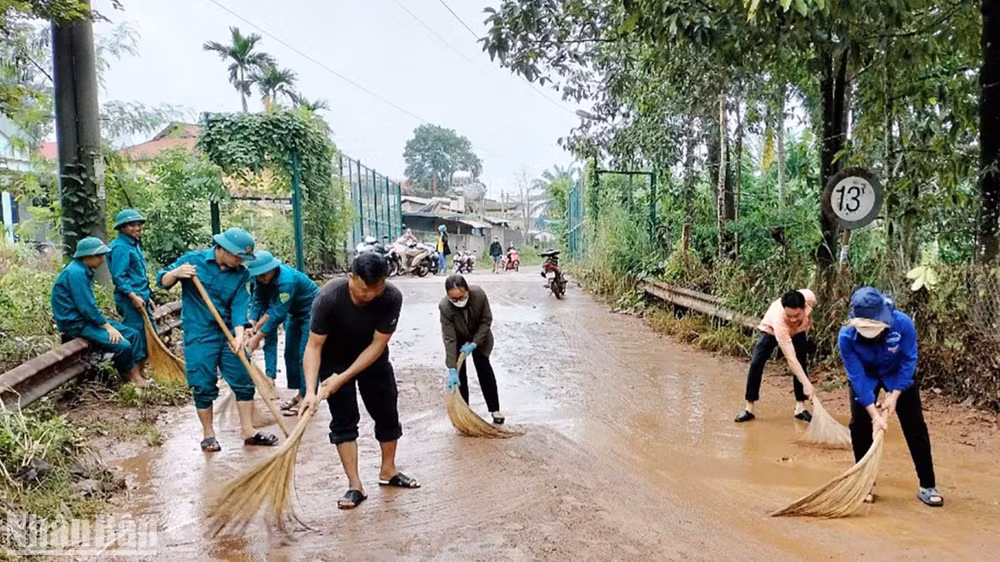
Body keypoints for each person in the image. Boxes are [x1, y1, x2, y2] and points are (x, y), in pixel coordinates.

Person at [299, 252, 418, 510]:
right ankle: (355, 485)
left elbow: (378, 345)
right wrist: (310, 390)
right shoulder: (329, 297)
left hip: (371, 359)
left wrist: (342, 378)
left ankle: (388, 471)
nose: (370, 295)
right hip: (333, 359)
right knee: (343, 419)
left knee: (387, 412)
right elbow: (314, 346)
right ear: (351, 277)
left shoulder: (391, 297)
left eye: (377, 289)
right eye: (364, 289)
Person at [157, 228, 278, 452]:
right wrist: (176, 273)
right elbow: (162, 281)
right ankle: (208, 434)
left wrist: (239, 336)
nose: (241, 261)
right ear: (223, 249)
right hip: (199, 334)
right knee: (202, 384)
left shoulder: (241, 273)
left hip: (228, 333)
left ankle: (248, 431)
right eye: (238, 256)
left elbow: (240, 304)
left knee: (243, 378)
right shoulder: (192, 261)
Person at [839, 287, 943, 507]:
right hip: (866, 375)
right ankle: (865, 483)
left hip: (897, 373)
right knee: (859, 424)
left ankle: (927, 485)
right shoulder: (847, 336)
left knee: (915, 424)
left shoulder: (902, 324)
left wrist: (894, 396)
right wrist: (874, 414)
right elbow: (856, 378)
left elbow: (909, 361)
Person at [51, 237, 148, 387]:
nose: (102, 260)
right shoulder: (75, 273)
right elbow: (86, 307)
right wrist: (106, 326)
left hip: (86, 319)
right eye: (99, 256)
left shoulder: (83, 270)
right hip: (76, 323)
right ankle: (128, 379)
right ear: (87, 256)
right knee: (123, 345)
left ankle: (137, 374)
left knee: (133, 335)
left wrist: (104, 323)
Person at [244, 251, 319, 415]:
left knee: (304, 355)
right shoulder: (261, 280)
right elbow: (257, 301)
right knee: (290, 353)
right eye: (258, 276)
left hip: (312, 312)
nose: (262, 279)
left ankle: (307, 395)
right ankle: (300, 393)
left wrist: (257, 337)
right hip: (294, 313)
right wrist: (251, 325)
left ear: (273, 268)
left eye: (264, 275)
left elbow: (277, 313)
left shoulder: (286, 281)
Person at [734, 289, 816, 423]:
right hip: (770, 331)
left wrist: (809, 320)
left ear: (804, 307)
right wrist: (807, 384)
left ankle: (800, 408)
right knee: (756, 363)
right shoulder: (779, 321)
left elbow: (810, 309)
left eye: (797, 315)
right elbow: (790, 358)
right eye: (789, 316)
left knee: (801, 363)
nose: (793, 319)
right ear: (784, 310)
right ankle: (749, 408)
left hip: (798, 332)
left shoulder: (810, 298)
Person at [439, 274, 504, 424]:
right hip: (459, 338)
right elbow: (449, 338)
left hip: (480, 336)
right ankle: (465, 412)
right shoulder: (445, 307)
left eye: (461, 297)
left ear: (467, 291)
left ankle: (495, 409)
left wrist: (474, 343)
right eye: (454, 299)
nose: (458, 302)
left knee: (483, 368)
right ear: (448, 296)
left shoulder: (479, 295)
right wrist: (451, 367)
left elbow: (486, 320)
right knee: (460, 375)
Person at [108, 209, 154, 376]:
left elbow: (139, 275)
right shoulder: (120, 247)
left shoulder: (134, 244)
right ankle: (133, 375)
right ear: (122, 228)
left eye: (138, 224)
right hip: (130, 300)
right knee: (135, 336)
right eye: (132, 225)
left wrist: (148, 296)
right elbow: (119, 277)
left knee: (147, 335)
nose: (137, 228)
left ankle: (141, 373)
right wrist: (133, 296)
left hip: (142, 297)